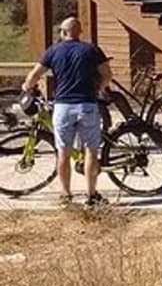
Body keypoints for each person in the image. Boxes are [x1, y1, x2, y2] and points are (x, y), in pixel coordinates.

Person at [21, 18, 112, 206]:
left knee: (63, 152)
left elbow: (35, 75)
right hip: (87, 105)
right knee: (91, 151)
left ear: (63, 32)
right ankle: (91, 194)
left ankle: (66, 194)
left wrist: (27, 86)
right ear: (80, 32)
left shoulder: (53, 51)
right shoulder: (91, 50)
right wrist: (98, 89)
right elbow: (107, 74)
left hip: (63, 106)